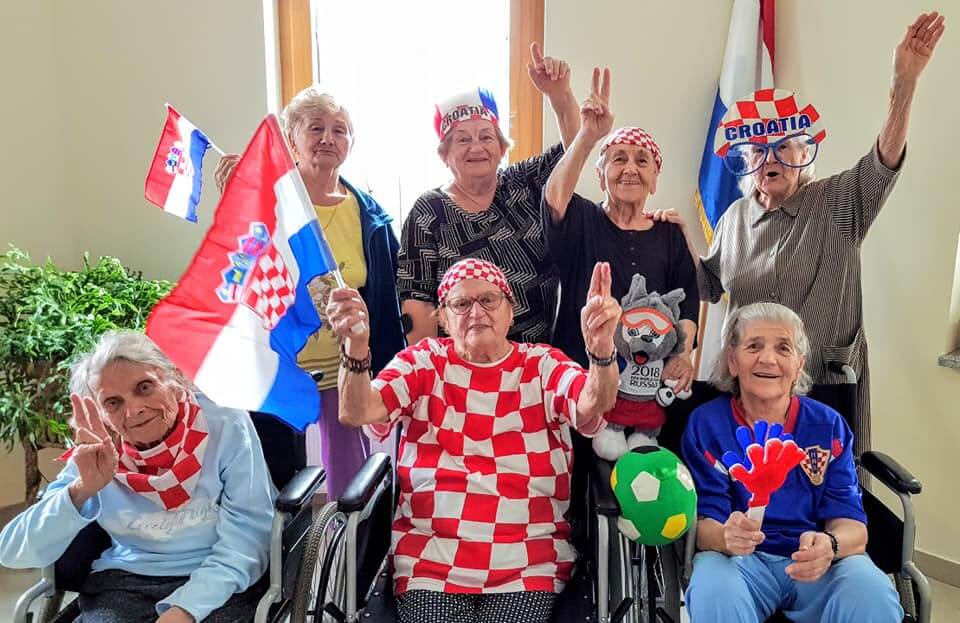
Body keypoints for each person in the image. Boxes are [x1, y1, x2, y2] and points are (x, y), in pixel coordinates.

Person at [659, 12, 945, 460]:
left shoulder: (836, 202)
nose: (770, 158)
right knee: (750, 485)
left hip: (824, 390)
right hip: (751, 393)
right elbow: (707, 287)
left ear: (803, 154)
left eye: (783, 147)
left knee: (826, 490)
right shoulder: (734, 218)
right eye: (759, 150)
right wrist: (680, 242)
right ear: (745, 161)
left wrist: (903, 85)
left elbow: (883, 162)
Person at [326, 258, 621, 623]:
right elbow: (357, 411)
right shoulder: (423, 362)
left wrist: (601, 352)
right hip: (430, 564)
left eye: (488, 300)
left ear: (510, 311)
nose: (476, 312)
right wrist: (356, 347)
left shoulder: (542, 365)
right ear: (443, 319)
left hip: (527, 563)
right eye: (461, 304)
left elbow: (595, 400)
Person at [0, 331, 275, 623]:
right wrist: (81, 489)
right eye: (113, 402)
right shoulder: (100, 448)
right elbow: (13, 552)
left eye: (144, 387)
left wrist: (185, 609)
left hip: (220, 577)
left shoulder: (225, 423)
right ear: (101, 415)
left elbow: (249, 536)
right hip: (125, 582)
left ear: (174, 378)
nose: (134, 410)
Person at [215, 87, 405, 499]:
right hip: (280, 362)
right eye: (315, 128)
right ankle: (286, 543)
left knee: (352, 484)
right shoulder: (268, 201)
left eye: (339, 130)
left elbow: (387, 294)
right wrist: (236, 205)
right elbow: (237, 272)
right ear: (291, 138)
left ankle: (348, 543)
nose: (328, 138)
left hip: (345, 366)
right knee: (275, 478)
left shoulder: (369, 213)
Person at [681, 303, 903, 622]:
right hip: (738, 563)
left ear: (799, 365)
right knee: (713, 589)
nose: (768, 359)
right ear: (732, 361)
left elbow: (853, 526)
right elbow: (704, 527)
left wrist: (830, 544)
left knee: (871, 592)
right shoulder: (707, 424)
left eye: (783, 348)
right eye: (753, 346)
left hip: (815, 561)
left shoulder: (828, 426)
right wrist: (725, 537)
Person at [543, 66, 699, 427]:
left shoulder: (669, 232)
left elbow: (688, 299)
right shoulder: (582, 218)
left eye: (642, 161)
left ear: (654, 180)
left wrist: (683, 353)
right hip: (582, 382)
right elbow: (554, 198)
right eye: (618, 159)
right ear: (601, 176)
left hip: (648, 389)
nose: (630, 168)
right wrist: (588, 135)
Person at [398, 43, 581, 347]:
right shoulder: (429, 210)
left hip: (534, 361)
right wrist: (432, 368)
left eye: (486, 137)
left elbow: (575, 150)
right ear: (444, 154)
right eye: (462, 140)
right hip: (462, 365)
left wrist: (559, 95)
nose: (476, 147)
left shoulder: (525, 183)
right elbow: (417, 301)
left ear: (502, 148)